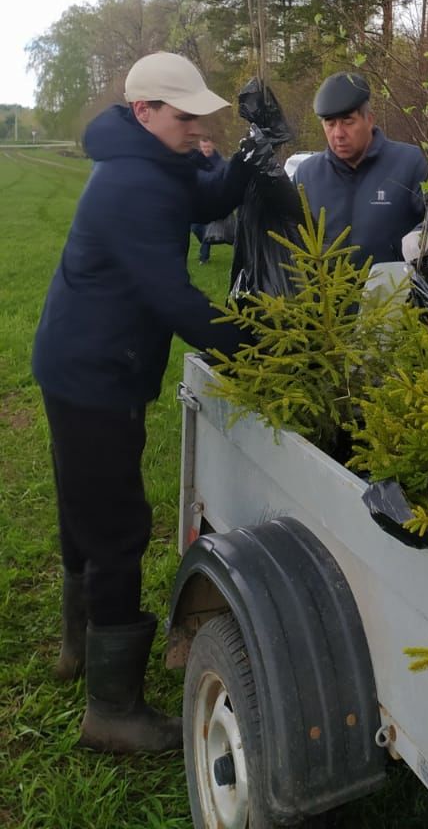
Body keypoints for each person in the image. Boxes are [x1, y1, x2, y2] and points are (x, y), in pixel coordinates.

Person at [32, 51, 264, 755]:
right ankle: (113, 711)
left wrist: (251, 159)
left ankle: (78, 652)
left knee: (86, 507)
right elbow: (176, 301)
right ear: (145, 113)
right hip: (93, 374)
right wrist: (263, 345)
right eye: (186, 116)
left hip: (91, 363)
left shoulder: (157, 162)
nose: (200, 128)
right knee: (116, 529)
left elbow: (211, 196)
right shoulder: (133, 184)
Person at [292, 70, 428, 265]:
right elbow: (286, 233)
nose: (338, 133)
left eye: (347, 121)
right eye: (330, 123)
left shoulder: (410, 163)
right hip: (327, 293)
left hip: (396, 291)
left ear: (369, 119)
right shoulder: (306, 175)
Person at [190, 136, 225, 263]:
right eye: (204, 147)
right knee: (195, 228)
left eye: (208, 147)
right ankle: (208, 240)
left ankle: (204, 257)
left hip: (211, 200)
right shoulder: (195, 159)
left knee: (206, 227)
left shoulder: (219, 162)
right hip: (196, 199)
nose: (206, 149)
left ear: (213, 146)